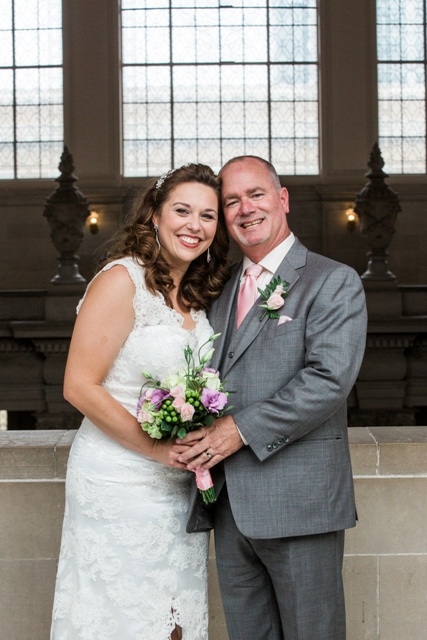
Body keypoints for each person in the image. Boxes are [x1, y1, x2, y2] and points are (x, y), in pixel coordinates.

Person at [178, 155, 368, 640]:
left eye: (256, 194)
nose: (245, 209)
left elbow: (328, 380)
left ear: (282, 200)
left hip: (299, 502)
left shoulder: (332, 281)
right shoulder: (217, 292)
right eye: (231, 201)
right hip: (229, 505)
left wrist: (238, 430)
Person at [50, 163, 230, 640]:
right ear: (154, 213)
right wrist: (154, 450)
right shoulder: (122, 280)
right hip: (117, 478)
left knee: (175, 620)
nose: (195, 225)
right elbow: (79, 386)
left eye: (208, 216)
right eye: (183, 210)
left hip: (178, 486)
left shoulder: (194, 294)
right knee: (124, 617)